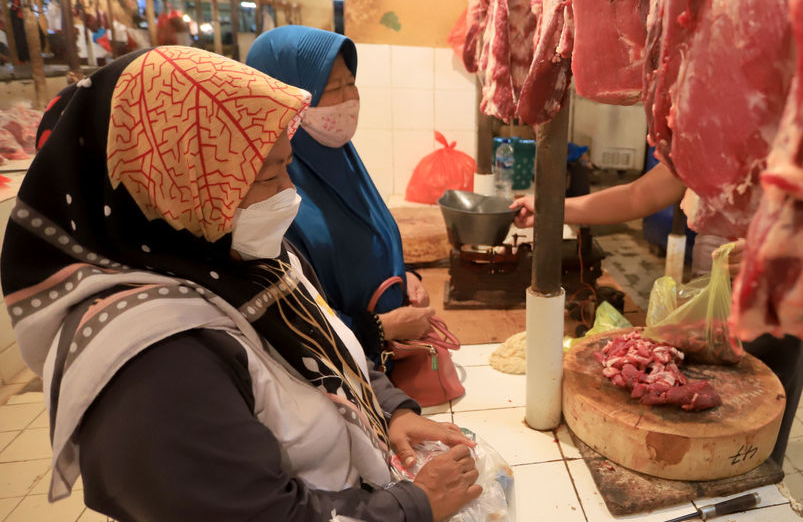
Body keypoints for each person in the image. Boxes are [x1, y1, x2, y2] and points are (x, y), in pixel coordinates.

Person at [0, 46, 480, 522]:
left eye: (286, 166)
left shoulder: (247, 259)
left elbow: (326, 346)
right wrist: (413, 505)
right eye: (269, 174)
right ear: (175, 182)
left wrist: (393, 411)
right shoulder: (155, 366)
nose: (289, 194)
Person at [511, 162, 803, 467]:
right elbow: (639, 195)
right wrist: (551, 208)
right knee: (698, 416)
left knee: (755, 437)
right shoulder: (711, 128)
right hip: (712, 299)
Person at [245, 26, 434, 367]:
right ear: (289, 97)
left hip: (382, 369)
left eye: (350, 83)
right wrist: (379, 328)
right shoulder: (272, 198)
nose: (350, 98)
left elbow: (365, 239)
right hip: (342, 380)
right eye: (333, 87)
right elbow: (289, 320)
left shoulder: (342, 162)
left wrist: (405, 275)